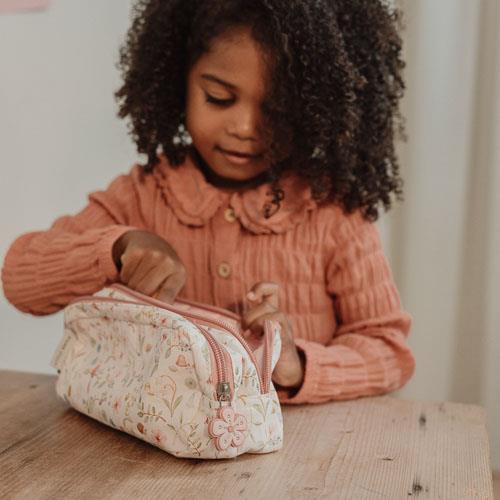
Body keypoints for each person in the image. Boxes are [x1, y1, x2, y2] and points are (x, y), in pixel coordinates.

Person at [1, 0, 415, 404]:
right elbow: (21, 279)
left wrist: (297, 364)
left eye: (277, 110)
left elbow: (388, 352)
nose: (246, 127)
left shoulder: (331, 212)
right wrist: (117, 247)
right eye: (219, 98)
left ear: (315, 111)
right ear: (176, 81)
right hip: (154, 457)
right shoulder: (144, 194)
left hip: (306, 460)